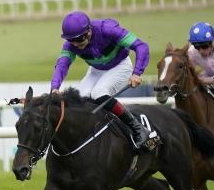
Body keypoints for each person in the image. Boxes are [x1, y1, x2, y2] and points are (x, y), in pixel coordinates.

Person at [50, 11, 155, 150]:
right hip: (96, 70)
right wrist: (55, 87)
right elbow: (62, 64)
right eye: (71, 41)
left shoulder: (108, 29)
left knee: (98, 93)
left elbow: (141, 46)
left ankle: (138, 128)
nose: (75, 44)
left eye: (79, 39)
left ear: (88, 31)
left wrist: (137, 73)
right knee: (77, 100)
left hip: (121, 66)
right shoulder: (71, 44)